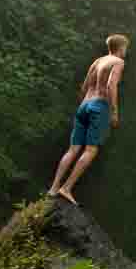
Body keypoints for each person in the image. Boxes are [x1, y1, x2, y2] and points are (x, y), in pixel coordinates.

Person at [48, 33, 128, 204]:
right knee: (91, 150)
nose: (125, 52)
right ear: (121, 48)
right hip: (99, 106)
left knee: (73, 149)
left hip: (85, 105)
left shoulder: (98, 61)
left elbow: (85, 86)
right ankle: (66, 188)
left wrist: (85, 104)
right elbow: (111, 85)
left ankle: (54, 187)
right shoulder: (118, 62)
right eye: (125, 48)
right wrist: (114, 111)